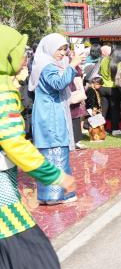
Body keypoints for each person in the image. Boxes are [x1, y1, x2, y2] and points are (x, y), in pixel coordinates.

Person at [0, 25, 79, 269]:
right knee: (26, 248)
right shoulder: (2, 90)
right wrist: (52, 175)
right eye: (20, 49)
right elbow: (13, 142)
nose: (24, 56)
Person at [29, 34, 82, 205]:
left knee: (47, 153)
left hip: (45, 112)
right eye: (59, 49)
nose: (63, 52)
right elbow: (59, 83)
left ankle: (48, 195)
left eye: (64, 48)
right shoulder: (48, 67)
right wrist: (73, 66)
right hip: (51, 115)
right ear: (50, 48)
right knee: (57, 151)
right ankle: (57, 195)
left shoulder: (41, 64)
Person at [84, 76, 107, 141]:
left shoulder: (92, 89)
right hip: (92, 109)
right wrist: (93, 109)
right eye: (99, 85)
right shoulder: (90, 90)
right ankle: (95, 137)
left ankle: (96, 136)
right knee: (94, 125)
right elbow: (91, 101)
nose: (100, 87)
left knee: (96, 124)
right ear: (96, 83)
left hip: (94, 109)